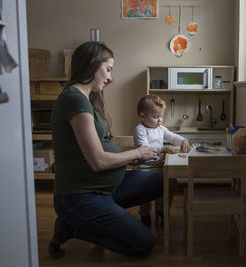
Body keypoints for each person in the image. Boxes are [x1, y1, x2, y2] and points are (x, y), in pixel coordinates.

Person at [48, 41, 163, 259]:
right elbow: (98, 161)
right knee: (144, 244)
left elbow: (99, 148)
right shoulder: (74, 100)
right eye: (108, 69)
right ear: (93, 64)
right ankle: (73, 227)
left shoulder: (85, 98)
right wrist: (137, 153)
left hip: (105, 188)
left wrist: (127, 160)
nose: (110, 77)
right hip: (79, 196)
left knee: (162, 182)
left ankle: (95, 218)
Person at [134, 95, 191, 226]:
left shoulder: (161, 129)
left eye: (161, 116)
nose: (159, 120)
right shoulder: (140, 130)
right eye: (155, 117)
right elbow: (145, 148)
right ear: (142, 117)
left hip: (160, 165)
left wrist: (183, 140)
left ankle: (161, 209)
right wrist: (164, 148)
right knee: (145, 187)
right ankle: (145, 213)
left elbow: (173, 136)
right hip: (144, 166)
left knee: (171, 182)